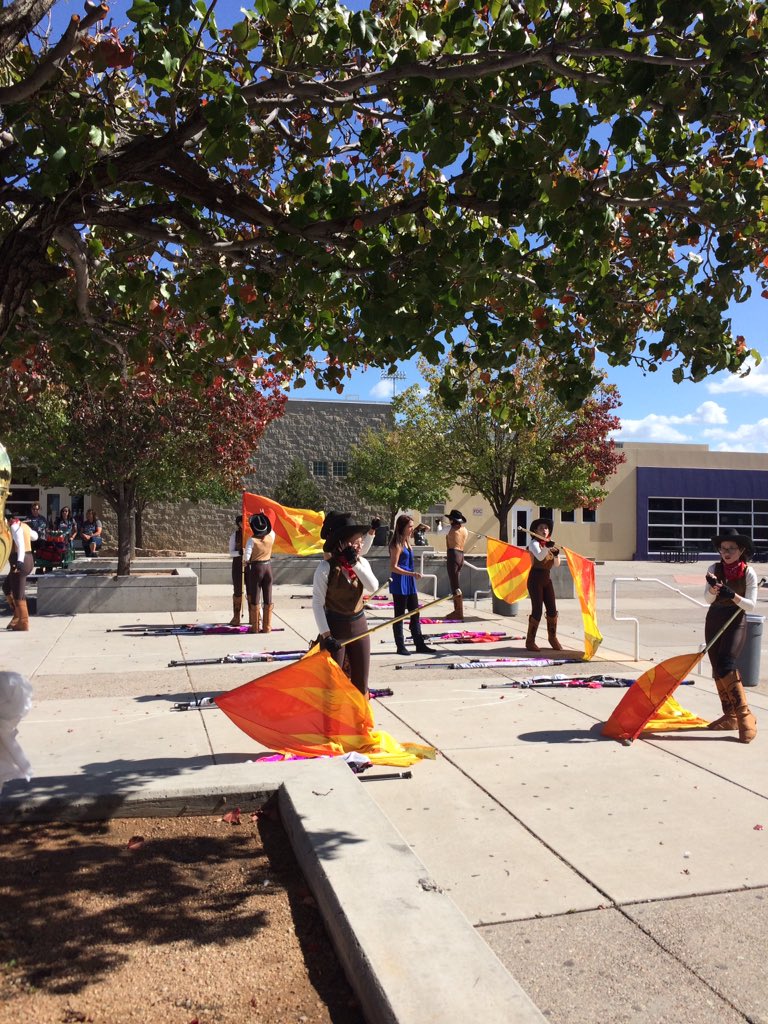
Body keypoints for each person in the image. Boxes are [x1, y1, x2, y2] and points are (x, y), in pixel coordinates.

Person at [312, 513, 378, 696]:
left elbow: (373, 586)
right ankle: (332, 723)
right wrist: (327, 636)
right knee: (332, 684)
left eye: (360, 541)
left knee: (361, 682)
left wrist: (354, 564)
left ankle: (360, 723)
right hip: (335, 630)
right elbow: (317, 603)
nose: (360, 545)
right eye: (355, 541)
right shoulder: (325, 569)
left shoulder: (362, 563)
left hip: (359, 627)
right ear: (342, 543)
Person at [704, 527, 758, 744]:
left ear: (741, 549)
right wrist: (713, 591)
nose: (726, 552)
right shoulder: (714, 568)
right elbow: (707, 600)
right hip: (714, 618)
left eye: (731, 549)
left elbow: (751, 605)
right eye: (722, 548)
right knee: (717, 666)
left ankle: (745, 715)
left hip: (735, 619)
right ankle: (730, 716)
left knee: (727, 663)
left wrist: (732, 595)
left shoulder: (748, 572)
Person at [389, 514, 437, 656]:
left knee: (415, 614)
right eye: (409, 526)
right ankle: (400, 646)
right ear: (402, 527)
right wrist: (412, 574)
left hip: (409, 582)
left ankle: (419, 644)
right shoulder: (396, 544)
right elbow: (393, 567)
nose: (412, 529)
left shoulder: (407, 542)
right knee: (399, 616)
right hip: (400, 582)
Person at [525, 517, 563, 651]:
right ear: (535, 530)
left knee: (552, 610)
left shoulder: (548, 544)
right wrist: (547, 547)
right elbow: (540, 557)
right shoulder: (534, 543)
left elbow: (557, 565)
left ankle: (552, 638)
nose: (544, 530)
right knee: (537, 610)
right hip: (535, 578)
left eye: (546, 528)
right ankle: (530, 641)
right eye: (541, 528)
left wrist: (557, 554)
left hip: (546, 579)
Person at [2, 512, 37, 631]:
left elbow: (20, 545)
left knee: (18, 593)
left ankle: (23, 622)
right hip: (29, 559)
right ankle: (17, 616)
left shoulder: (13, 526)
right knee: (6, 587)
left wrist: (20, 561)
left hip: (20, 561)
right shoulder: (24, 526)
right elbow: (35, 536)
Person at [244, 510, 276, 633]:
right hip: (268, 567)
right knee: (268, 596)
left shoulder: (251, 540)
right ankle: (267, 627)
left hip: (256, 568)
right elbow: (272, 530)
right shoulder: (271, 536)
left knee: (255, 596)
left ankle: (255, 626)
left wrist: (245, 562)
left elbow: (247, 557)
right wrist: (264, 516)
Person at [445, 509, 468, 620]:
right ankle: (458, 610)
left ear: (452, 520)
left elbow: (439, 531)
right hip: (461, 555)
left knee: (454, 584)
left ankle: (458, 612)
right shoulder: (465, 530)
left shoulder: (450, 529)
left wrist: (439, 524)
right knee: (456, 584)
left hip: (453, 555)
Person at [227, 514, 244, 626]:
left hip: (250, 565)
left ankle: (255, 618)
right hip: (238, 564)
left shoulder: (253, 535)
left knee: (253, 592)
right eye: (241, 522)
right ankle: (236, 617)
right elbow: (231, 552)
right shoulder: (235, 535)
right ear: (239, 524)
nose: (244, 524)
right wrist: (239, 552)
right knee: (238, 590)